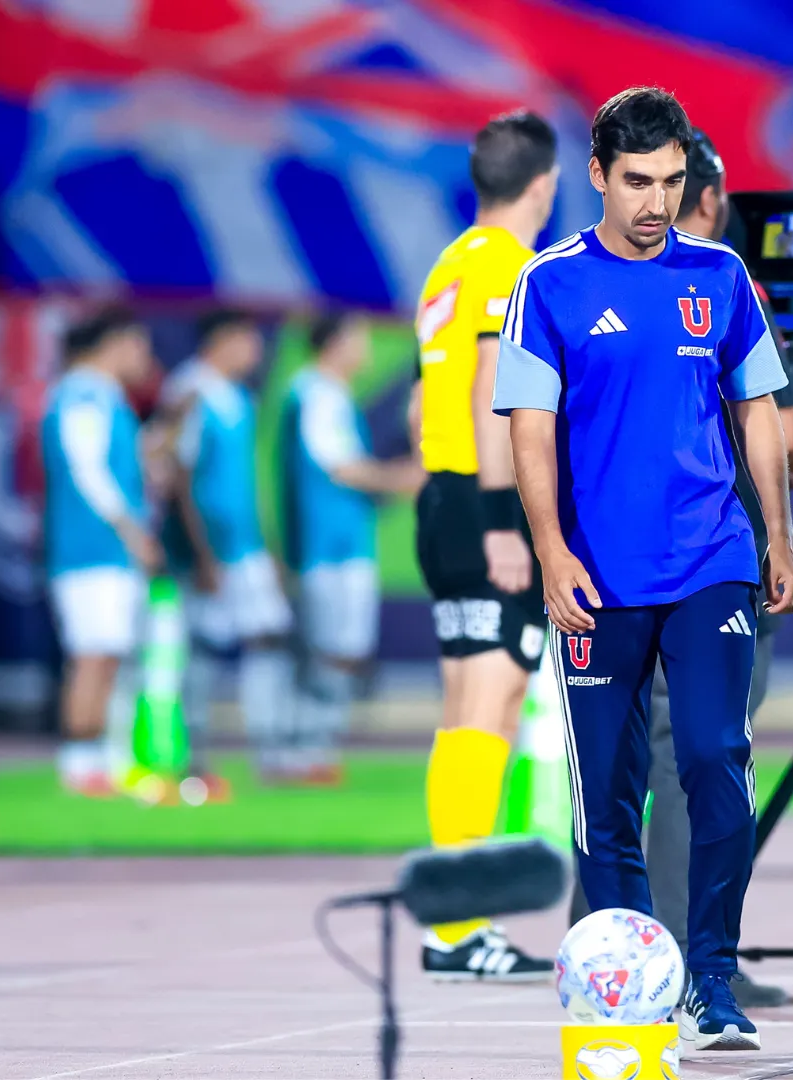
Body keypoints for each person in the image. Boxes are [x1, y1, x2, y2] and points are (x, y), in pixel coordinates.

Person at [496, 86, 793, 1053]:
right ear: (597, 176)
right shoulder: (545, 287)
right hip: (595, 577)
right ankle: (629, 990)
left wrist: (779, 538)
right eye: (638, 183)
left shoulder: (720, 276)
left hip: (711, 559)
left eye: (672, 181)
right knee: (609, 792)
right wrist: (551, 552)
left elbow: (759, 411)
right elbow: (530, 432)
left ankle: (713, 979)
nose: (657, 202)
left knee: (717, 760)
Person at [562, 127, 793, 1009]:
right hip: (701, 561)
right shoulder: (714, 280)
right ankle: (669, 959)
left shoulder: (586, 283)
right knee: (695, 755)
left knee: (622, 757)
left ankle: (599, 937)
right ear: (710, 200)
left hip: (610, 559)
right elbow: (784, 422)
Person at [409, 109, 562, 981]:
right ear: (543, 184)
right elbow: (491, 393)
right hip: (485, 506)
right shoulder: (509, 267)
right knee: (490, 707)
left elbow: (434, 396)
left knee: (468, 704)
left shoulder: (449, 263)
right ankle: (459, 926)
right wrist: (506, 518)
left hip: (445, 497)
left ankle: (453, 922)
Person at [281, 312, 423, 775]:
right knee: (328, 647)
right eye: (359, 339)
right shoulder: (314, 395)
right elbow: (340, 466)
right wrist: (402, 477)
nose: (364, 349)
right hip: (327, 546)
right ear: (336, 342)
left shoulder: (333, 396)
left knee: (343, 648)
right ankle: (302, 747)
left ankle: (314, 746)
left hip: (345, 542)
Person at [163, 309, 296, 782]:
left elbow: (246, 480)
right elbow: (177, 477)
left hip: (246, 545)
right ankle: (192, 752)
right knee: (205, 644)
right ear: (222, 340)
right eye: (248, 340)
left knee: (269, 635)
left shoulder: (238, 397)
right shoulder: (189, 392)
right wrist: (200, 554)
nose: (255, 352)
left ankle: (270, 747)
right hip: (213, 549)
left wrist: (269, 545)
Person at [41, 306, 163, 796]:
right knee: (92, 655)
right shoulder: (82, 395)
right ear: (114, 342)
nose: (145, 358)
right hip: (88, 548)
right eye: (139, 345)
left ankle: (102, 759)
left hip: (107, 549)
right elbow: (88, 471)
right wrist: (132, 531)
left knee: (108, 653)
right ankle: (79, 759)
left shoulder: (105, 397)